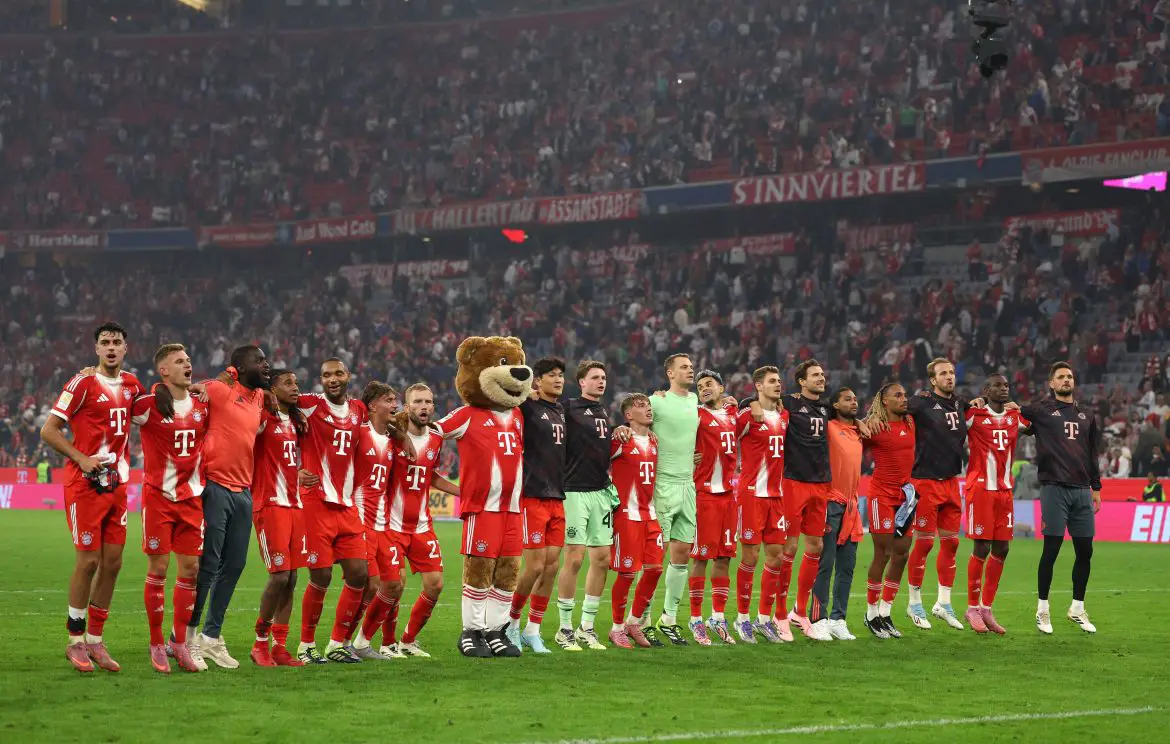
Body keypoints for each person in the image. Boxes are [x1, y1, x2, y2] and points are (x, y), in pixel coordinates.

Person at [42, 321, 145, 673]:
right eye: (106, 342)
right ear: (97, 349)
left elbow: (157, 410)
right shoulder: (82, 383)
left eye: (118, 341)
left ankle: (96, 641)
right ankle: (75, 639)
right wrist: (82, 458)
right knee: (88, 562)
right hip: (84, 485)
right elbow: (48, 430)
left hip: (116, 485)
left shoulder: (132, 384)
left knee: (113, 563)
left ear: (126, 348)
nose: (112, 347)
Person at [296, 358, 409, 664]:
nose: (331, 379)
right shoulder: (309, 405)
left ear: (348, 376)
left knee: (359, 575)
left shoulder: (358, 409)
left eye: (337, 373)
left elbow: (388, 427)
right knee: (320, 576)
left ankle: (336, 644)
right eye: (325, 375)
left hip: (346, 507)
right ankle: (306, 645)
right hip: (317, 502)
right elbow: (276, 407)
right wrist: (295, 469)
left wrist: (401, 435)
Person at [356, 383, 457, 659]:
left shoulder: (436, 438)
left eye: (429, 402)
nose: (424, 407)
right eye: (418, 402)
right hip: (391, 525)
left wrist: (462, 491)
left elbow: (430, 474)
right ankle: (386, 643)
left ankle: (408, 641)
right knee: (394, 585)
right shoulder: (391, 439)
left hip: (422, 525)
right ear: (408, 407)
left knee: (435, 585)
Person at [185, 345, 271, 668]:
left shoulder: (261, 398)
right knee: (208, 565)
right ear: (238, 367)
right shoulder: (220, 390)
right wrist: (221, 378)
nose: (266, 365)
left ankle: (210, 637)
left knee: (234, 565)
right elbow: (188, 388)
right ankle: (186, 639)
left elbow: (279, 389)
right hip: (215, 487)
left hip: (243, 492)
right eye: (259, 361)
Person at [131, 344, 209, 673]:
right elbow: (117, 408)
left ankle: (178, 643)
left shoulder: (204, 404)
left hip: (192, 499)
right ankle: (155, 642)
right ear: (164, 371)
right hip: (158, 498)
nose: (187, 364)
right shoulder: (149, 406)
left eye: (188, 360)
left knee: (190, 570)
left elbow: (229, 387)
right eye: (179, 361)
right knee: (159, 569)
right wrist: (154, 390)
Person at [750, 359, 835, 641]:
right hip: (792, 482)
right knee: (789, 546)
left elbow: (846, 413)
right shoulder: (788, 403)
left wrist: (858, 418)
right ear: (801, 381)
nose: (821, 379)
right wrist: (748, 404)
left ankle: (800, 611)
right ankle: (780, 613)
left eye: (823, 374)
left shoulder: (826, 409)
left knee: (816, 545)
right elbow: (755, 400)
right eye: (815, 375)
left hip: (821, 483)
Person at [1020, 362, 1102, 635]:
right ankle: (1042, 609)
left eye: (1070, 376)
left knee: (1085, 551)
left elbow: (1092, 454)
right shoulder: (1041, 409)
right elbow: (1011, 410)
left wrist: (1097, 487)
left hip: (1081, 490)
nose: (1067, 380)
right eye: (1061, 377)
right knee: (1051, 550)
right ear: (1052, 384)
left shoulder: (1087, 415)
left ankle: (1077, 608)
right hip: (1054, 488)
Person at [557, 361, 624, 651]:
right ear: (581, 381)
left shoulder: (602, 411)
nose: (601, 382)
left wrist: (617, 431)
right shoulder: (568, 407)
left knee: (602, 560)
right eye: (595, 377)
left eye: (604, 377)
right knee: (574, 559)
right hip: (574, 491)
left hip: (600, 492)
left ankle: (587, 627)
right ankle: (564, 629)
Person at [904, 358, 970, 631]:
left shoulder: (959, 403)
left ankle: (943, 603)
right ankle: (914, 602)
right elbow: (895, 408)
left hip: (952, 482)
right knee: (924, 543)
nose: (949, 377)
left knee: (952, 544)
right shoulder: (921, 401)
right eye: (943, 373)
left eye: (952, 372)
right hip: (925, 482)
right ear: (932, 379)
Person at [508, 358, 568, 654]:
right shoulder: (527, 408)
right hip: (532, 496)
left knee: (551, 567)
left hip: (557, 496)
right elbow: (503, 393)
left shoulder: (561, 410)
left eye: (561, 375)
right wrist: (523, 394)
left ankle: (533, 630)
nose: (558, 380)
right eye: (552, 375)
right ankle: (511, 623)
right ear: (537, 381)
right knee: (533, 567)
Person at [249, 369, 307, 667]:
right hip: (269, 505)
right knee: (279, 575)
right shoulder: (261, 417)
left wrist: (301, 474)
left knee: (293, 577)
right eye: (288, 383)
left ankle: (280, 646)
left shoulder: (296, 421)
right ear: (271, 389)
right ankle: (259, 642)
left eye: (296, 382)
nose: (295, 387)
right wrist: (261, 397)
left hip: (295, 505)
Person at [963, 373, 1027, 634]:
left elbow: (1035, 425)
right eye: (997, 385)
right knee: (982, 546)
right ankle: (971, 608)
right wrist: (969, 403)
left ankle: (987, 608)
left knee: (1002, 548)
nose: (1003, 389)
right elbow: (953, 419)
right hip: (981, 489)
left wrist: (1021, 409)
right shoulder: (974, 415)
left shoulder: (1015, 417)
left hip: (1004, 491)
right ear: (986, 390)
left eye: (1006, 385)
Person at [736, 366, 792, 643]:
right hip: (751, 495)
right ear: (758, 386)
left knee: (776, 557)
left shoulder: (784, 416)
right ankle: (742, 620)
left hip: (776, 496)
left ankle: (763, 619)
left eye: (779, 380)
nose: (778, 384)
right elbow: (723, 436)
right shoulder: (747, 415)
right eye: (772, 381)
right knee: (750, 557)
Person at [647, 354, 700, 645]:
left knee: (682, 552)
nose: (690, 370)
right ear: (669, 373)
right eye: (684, 367)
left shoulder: (694, 402)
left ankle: (668, 618)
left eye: (691, 367)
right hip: (662, 484)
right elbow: (635, 425)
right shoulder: (655, 402)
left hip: (687, 484)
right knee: (655, 555)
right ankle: (641, 619)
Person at [348, 382, 402, 661]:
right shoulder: (359, 434)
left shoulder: (392, 442)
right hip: (361, 520)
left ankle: (361, 642)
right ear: (371, 406)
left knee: (393, 585)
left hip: (384, 524)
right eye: (388, 400)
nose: (394, 404)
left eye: (395, 399)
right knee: (369, 585)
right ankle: (341, 642)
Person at [607, 394, 664, 649]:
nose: (648, 409)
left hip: (649, 515)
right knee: (628, 573)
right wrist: (614, 429)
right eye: (640, 406)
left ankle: (633, 621)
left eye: (648, 405)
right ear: (628, 415)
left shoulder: (653, 441)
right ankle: (616, 628)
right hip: (627, 515)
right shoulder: (620, 439)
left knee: (654, 569)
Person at [860, 383, 916, 639]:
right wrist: (863, 422)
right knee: (882, 554)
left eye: (905, 395)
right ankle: (870, 613)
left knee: (902, 553)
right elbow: (849, 434)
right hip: (881, 496)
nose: (904, 399)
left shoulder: (911, 422)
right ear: (884, 401)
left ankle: (885, 612)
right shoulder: (874, 427)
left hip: (905, 499)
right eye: (898, 395)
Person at [688, 370, 739, 645]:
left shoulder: (733, 410)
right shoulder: (695, 414)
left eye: (709, 384)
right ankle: (695, 618)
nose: (704, 388)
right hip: (703, 495)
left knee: (724, 557)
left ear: (722, 387)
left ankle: (717, 617)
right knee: (701, 558)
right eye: (700, 386)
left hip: (729, 496)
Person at [810, 387, 864, 641]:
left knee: (848, 566)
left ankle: (838, 619)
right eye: (847, 399)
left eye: (854, 399)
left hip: (851, 506)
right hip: (830, 503)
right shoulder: (827, 427)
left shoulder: (860, 431)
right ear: (834, 404)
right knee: (826, 563)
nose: (853, 402)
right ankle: (817, 619)